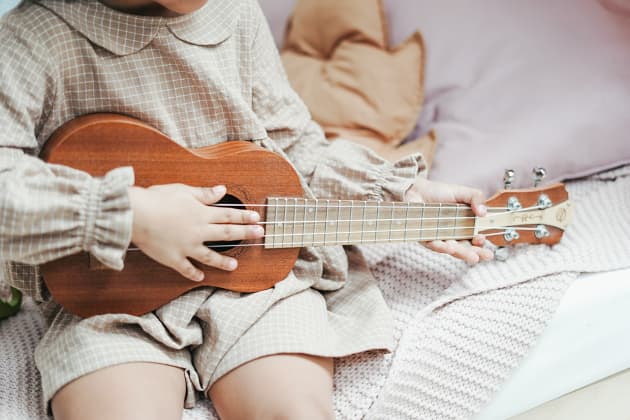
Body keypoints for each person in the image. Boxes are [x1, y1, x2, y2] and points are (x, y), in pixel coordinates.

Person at [0, 0, 493, 419]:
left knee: (292, 409)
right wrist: (135, 215)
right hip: (109, 298)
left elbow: (295, 148)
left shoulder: (233, 14)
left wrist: (399, 195)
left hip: (255, 285)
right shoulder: (32, 39)